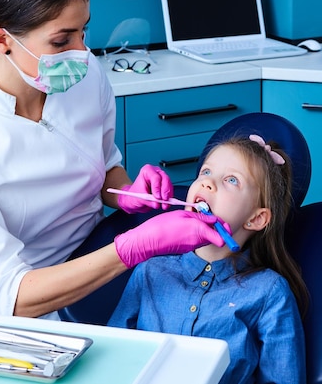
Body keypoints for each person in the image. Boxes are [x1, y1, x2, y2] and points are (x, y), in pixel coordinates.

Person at [0, 0, 226, 341]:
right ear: (1, 40)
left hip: (94, 278)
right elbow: (14, 296)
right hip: (0, 319)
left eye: (84, 31)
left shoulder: (86, 75)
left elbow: (104, 169)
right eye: (62, 41)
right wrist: (136, 246)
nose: (83, 51)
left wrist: (128, 192)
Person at [108, 135, 310, 384]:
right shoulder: (150, 271)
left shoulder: (269, 292)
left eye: (231, 180)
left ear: (256, 219)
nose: (207, 183)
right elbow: (111, 355)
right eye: (206, 171)